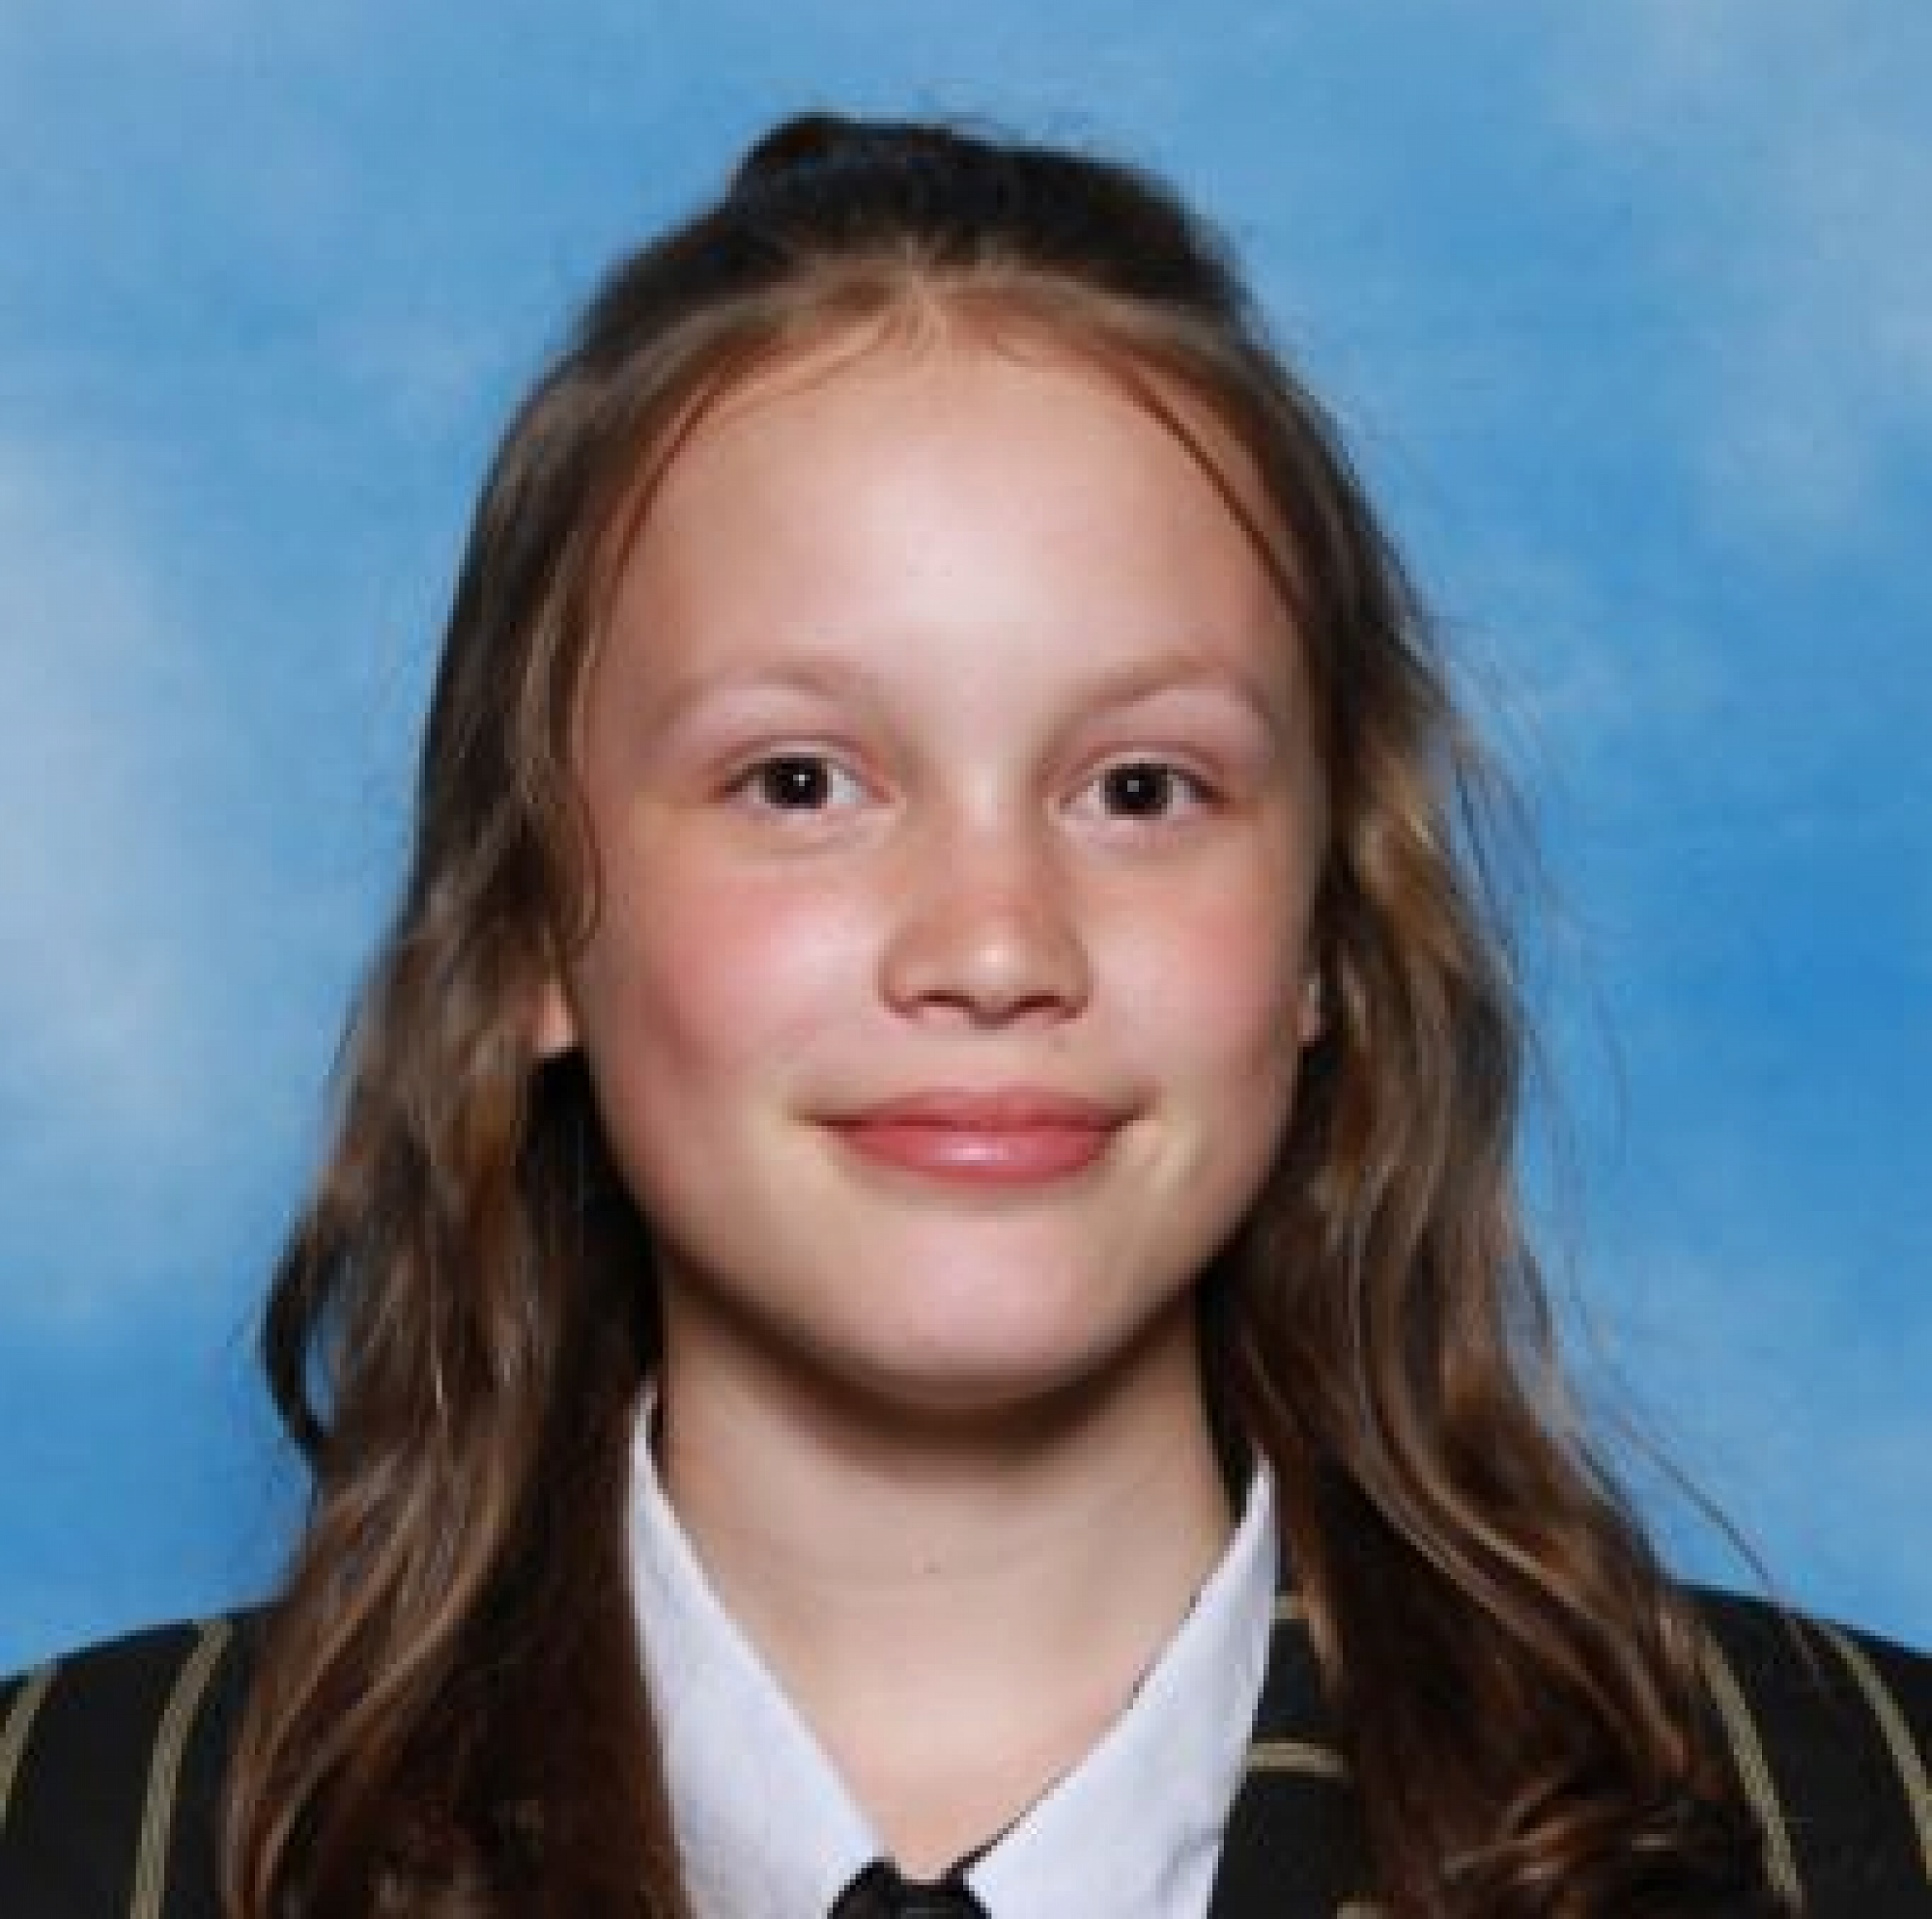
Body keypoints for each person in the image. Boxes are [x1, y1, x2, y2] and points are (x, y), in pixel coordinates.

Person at [1, 114, 1926, 1919]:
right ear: (527, 930)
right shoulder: (62, 1829)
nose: (995, 946)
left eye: (1142, 788)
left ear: (1329, 932)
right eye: (799, 782)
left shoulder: (1872, 1819)